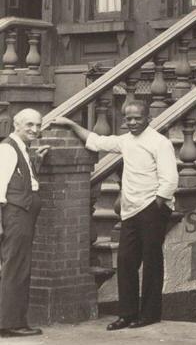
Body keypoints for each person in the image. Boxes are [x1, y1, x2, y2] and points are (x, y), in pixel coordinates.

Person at [51, 102, 178, 329]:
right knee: (126, 261)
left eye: (137, 118)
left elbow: (169, 180)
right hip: (130, 211)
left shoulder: (160, 143)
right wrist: (70, 124)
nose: (132, 122)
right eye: (128, 119)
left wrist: (155, 205)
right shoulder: (125, 141)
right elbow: (97, 141)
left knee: (151, 262)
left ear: (147, 117)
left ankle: (149, 314)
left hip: (152, 209)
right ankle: (127, 314)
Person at [0, 109, 47, 337]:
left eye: (38, 125)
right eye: (29, 125)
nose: (35, 130)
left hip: (23, 214)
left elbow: (23, 177)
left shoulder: (21, 149)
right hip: (16, 215)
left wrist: (36, 160)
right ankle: (11, 323)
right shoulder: (8, 149)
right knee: (15, 267)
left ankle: (12, 320)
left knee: (18, 266)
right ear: (16, 125)